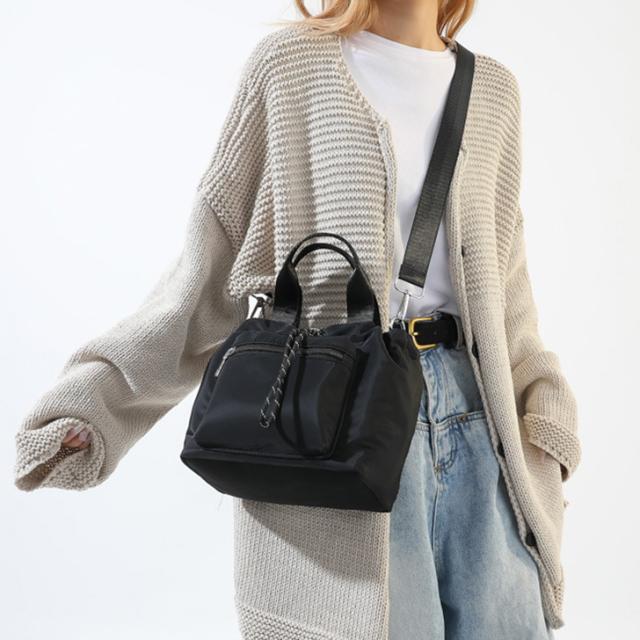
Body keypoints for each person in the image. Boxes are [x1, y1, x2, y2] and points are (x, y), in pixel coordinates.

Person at [13, 1, 581, 639]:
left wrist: (545, 410)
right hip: (339, 420)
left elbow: (506, 283)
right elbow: (208, 271)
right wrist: (96, 402)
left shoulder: (495, 91)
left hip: (482, 423)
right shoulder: (289, 66)